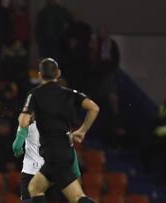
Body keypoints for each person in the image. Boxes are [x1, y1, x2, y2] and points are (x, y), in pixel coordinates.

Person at [15, 58, 99, 203]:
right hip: (64, 151)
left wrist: (24, 120)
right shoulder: (69, 93)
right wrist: (82, 130)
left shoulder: (35, 94)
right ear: (58, 73)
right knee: (35, 187)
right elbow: (94, 108)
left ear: (40, 75)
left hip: (54, 154)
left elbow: (23, 121)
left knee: (77, 198)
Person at [12, 120, 81, 203]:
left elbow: (16, 146)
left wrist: (18, 152)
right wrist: (76, 173)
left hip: (31, 173)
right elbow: (70, 150)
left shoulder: (26, 121)